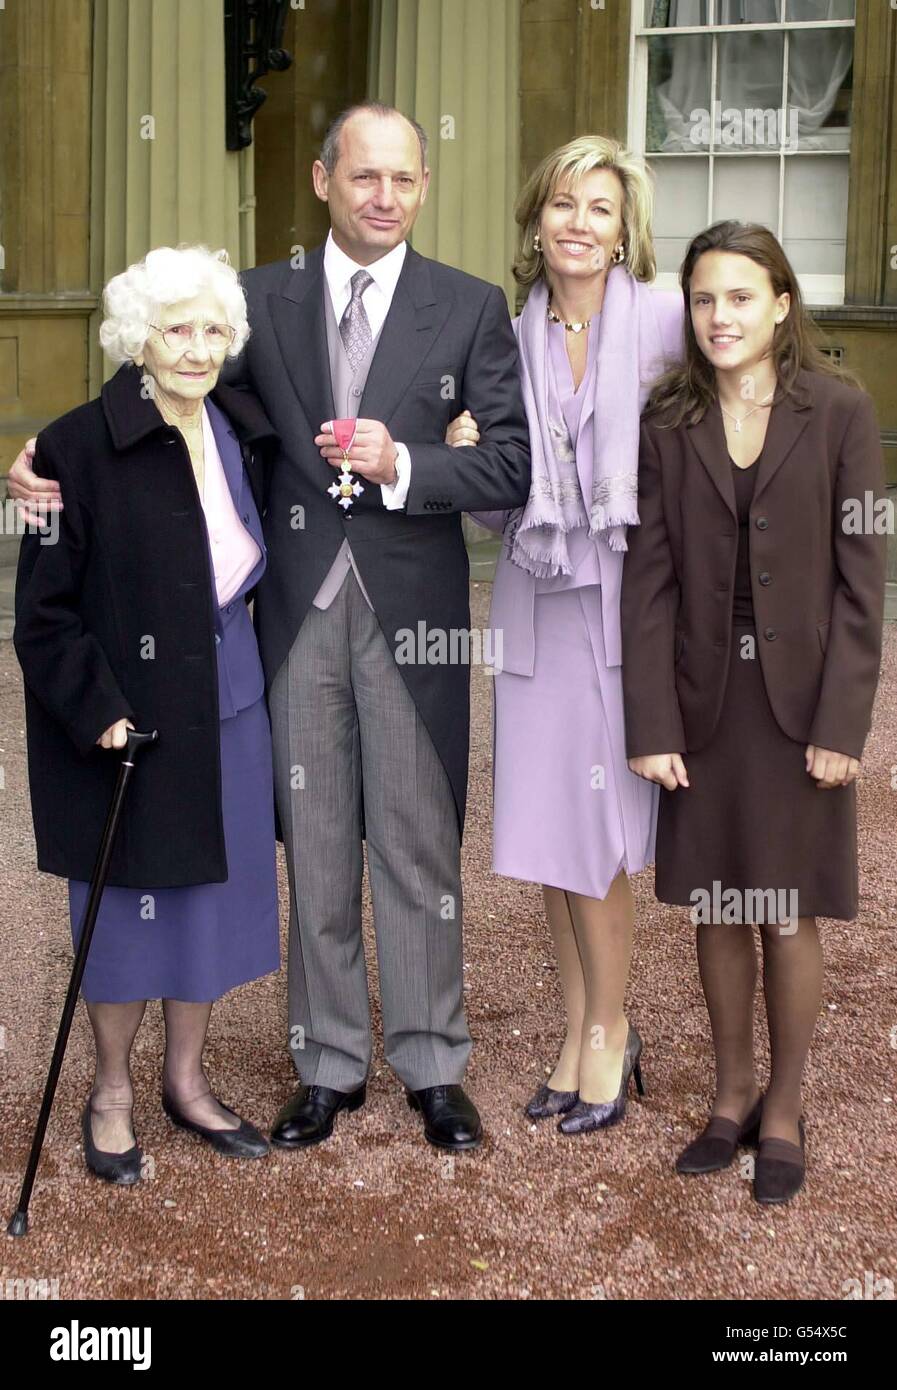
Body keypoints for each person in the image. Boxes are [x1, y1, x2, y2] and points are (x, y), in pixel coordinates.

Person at [9, 103, 532, 1153]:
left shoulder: (471, 309)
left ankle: (433, 1062)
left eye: (404, 179)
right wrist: (46, 454)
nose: (384, 195)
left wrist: (410, 465)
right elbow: (165, 376)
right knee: (318, 848)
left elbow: (509, 468)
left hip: (413, 617)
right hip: (286, 617)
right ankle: (328, 1063)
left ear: (423, 190)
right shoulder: (255, 298)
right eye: (365, 175)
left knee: (420, 845)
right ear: (323, 179)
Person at [621, 220, 887, 1203]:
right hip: (704, 703)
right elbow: (645, 583)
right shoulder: (668, 418)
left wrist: (842, 726)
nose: (719, 316)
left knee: (782, 910)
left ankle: (784, 1104)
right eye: (702, 299)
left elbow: (865, 583)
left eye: (740, 296)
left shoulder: (841, 410)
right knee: (719, 905)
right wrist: (650, 723)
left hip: (800, 706)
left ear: (781, 304)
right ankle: (729, 1099)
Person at [13, 245, 281, 1184]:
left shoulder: (244, 428)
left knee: (207, 904)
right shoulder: (66, 450)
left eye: (214, 330)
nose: (198, 348)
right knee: (125, 914)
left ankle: (188, 1081)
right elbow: (39, 615)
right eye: (177, 329)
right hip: (128, 722)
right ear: (138, 339)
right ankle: (110, 1093)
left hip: (232, 706)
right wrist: (99, 712)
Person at [457, 136, 683, 1134]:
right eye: (560, 204)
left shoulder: (672, 323)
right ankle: (577, 1025)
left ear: (624, 225)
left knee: (600, 837)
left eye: (597, 206)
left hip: (631, 606)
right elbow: (504, 508)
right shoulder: (507, 341)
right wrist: (471, 457)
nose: (577, 223)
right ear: (536, 221)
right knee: (550, 835)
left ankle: (612, 1027)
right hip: (535, 605)